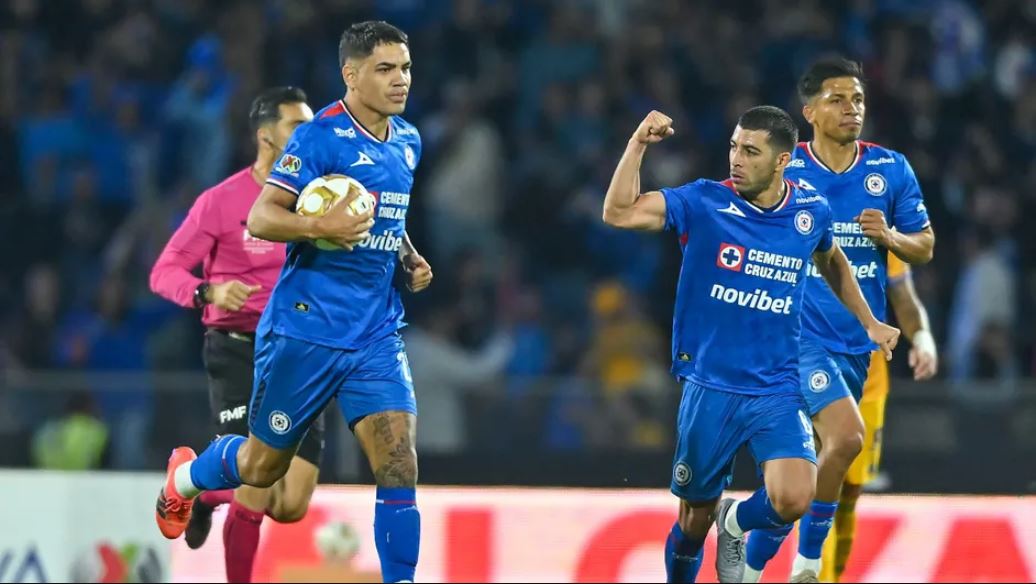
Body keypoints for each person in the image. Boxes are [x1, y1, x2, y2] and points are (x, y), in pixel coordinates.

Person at [153, 21, 433, 584]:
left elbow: (387, 211)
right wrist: (318, 225)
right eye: (385, 69)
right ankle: (185, 478)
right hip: (306, 329)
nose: (400, 79)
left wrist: (407, 255)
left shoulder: (408, 140)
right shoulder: (319, 138)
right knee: (261, 470)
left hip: (376, 331)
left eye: (404, 68)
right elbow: (262, 216)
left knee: (399, 461)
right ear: (351, 75)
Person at [601, 106, 899, 583]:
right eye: (734, 147)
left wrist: (869, 322)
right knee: (692, 523)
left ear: (782, 161)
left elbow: (832, 260)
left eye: (751, 151)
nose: (736, 159)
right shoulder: (705, 202)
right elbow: (618, 212)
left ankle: (736, 520)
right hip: (711, 386)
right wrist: (638, 144)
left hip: (777, 386)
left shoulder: (809, 211)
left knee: (794, 497)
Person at [742, 57, 935, 583]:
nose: (852, 108)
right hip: (794, 341)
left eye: (858, 99)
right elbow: (737, 226)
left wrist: (890, 238)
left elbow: (924, 247)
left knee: (819, 483)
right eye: (838, 99)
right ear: (808, 111)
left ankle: (748, 548)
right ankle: (805, 565)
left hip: (859, 352)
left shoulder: (890, 169)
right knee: (838, 445)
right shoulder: (785, 170)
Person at [149, 86, 322, 583]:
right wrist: (209, 292)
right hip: (239, 348)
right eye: (297, 125)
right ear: (266, 136)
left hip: (301, 354)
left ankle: (198, 485)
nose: (309, 133)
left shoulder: (319, 198)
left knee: (290, 505)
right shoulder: (221, 202)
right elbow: (164, 272)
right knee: (255, 481)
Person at [817, 252, 938, 582]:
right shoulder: (807, 222)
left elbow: (902, 293)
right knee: (819, 485)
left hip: (868, 383)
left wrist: (921, 337)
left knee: (849, 493)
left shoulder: (880, 228)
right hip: (814, 369)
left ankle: (833, 576)